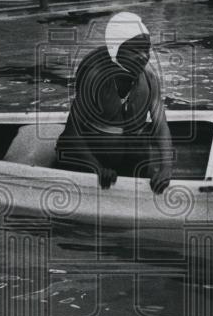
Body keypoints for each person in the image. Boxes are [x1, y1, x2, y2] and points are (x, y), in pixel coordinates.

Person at [56, 12, 172, 194]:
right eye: (135, 50)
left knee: (139, 147)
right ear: (115, 50)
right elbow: (71, 134)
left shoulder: (149, 78)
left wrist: (166, 167)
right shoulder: (95, 79)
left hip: (127, 158)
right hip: (92, 159)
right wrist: (96, 168)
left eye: (146, 49)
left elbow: (161, 126)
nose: (143, 56)